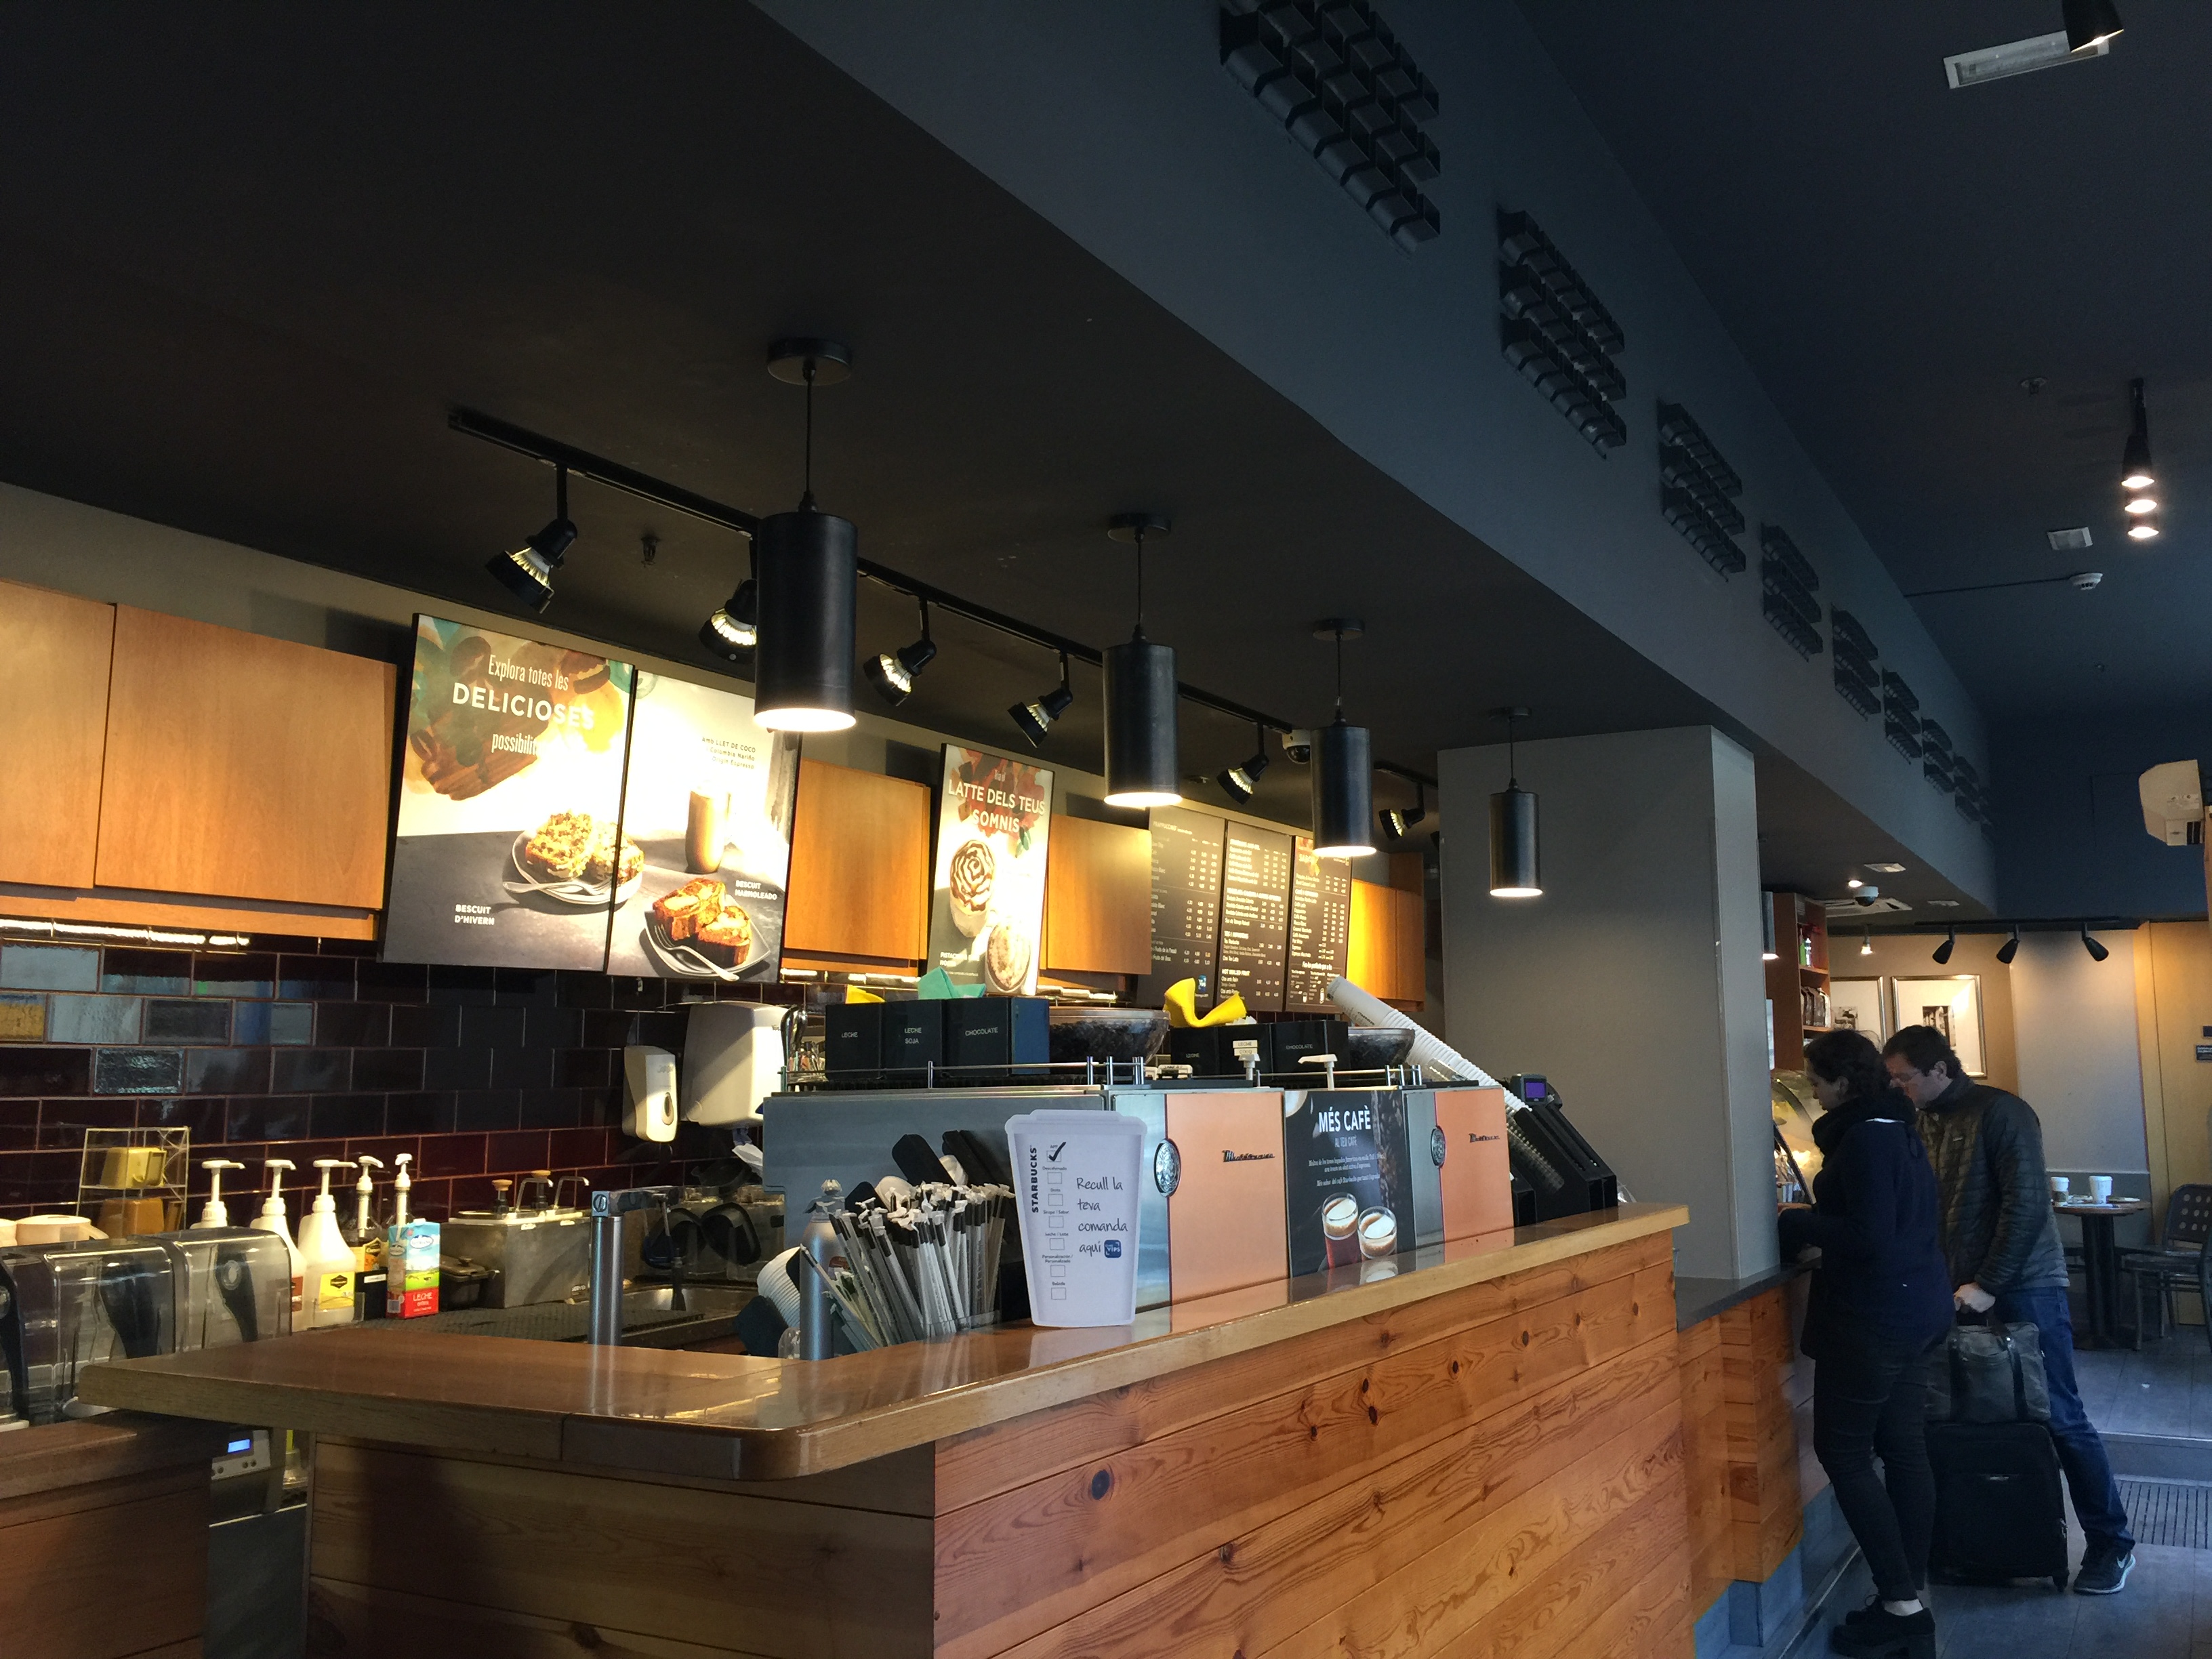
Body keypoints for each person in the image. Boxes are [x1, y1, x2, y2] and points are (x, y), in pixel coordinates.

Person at [1883, 1024, 2135, 1594]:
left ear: (1940, 1069)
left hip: (2024, 1285)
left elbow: (2027, 1204)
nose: (1899, 1089)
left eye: (1905, 1078)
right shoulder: (1925, 1120)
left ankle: (2111, 1544)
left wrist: (1989, 1282)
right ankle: (1982, 1543)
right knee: (1971, 1416)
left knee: (2059, 1414)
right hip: (1960, 1286)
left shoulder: (2003, 1113)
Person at [1780, 1029, 1952, 1658]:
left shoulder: (1864, 1140)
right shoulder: (1898, 1129)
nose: (1815, 1094)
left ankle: (1901, 1603)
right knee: (1904, 1449)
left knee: (1843, 1452)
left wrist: (1797, 1222)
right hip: (1918, 1307)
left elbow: (1869, 1236)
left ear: (1843, 1082)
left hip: (1874, 1318)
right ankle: (1909, 1595)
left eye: (1817, 1082)